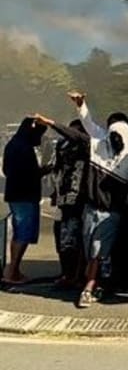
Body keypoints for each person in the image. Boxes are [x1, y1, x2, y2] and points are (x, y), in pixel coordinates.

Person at [70, 93, 128, 308]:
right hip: (92, 209)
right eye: (111, 126)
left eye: (117, 127)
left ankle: (91, 287)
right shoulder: (101, 143)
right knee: (91, 249)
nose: (113, 133)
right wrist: (81, 105)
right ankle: (95, 283)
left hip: (113, 212)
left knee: (98, 251)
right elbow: (88, 126)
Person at [33, 116, 89, 287]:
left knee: (77, 240)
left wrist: (51, 122)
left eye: (76, 130)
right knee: (63, 239)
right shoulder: (63, 146)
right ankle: (67, 273)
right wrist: (55, 193)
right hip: (63, 200)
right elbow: (58, 169)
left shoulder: (86, 145)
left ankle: (78, 276)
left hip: (79, 199)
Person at [2, 117, 48, 284]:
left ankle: (13, 269)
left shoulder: (12, 145)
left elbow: (6, 170)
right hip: (25, 196)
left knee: (18, 233)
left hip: (14, 195)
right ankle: (12, 271)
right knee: (23, 233)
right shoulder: (25, 148)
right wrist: (42, 171)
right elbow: (29, 174)